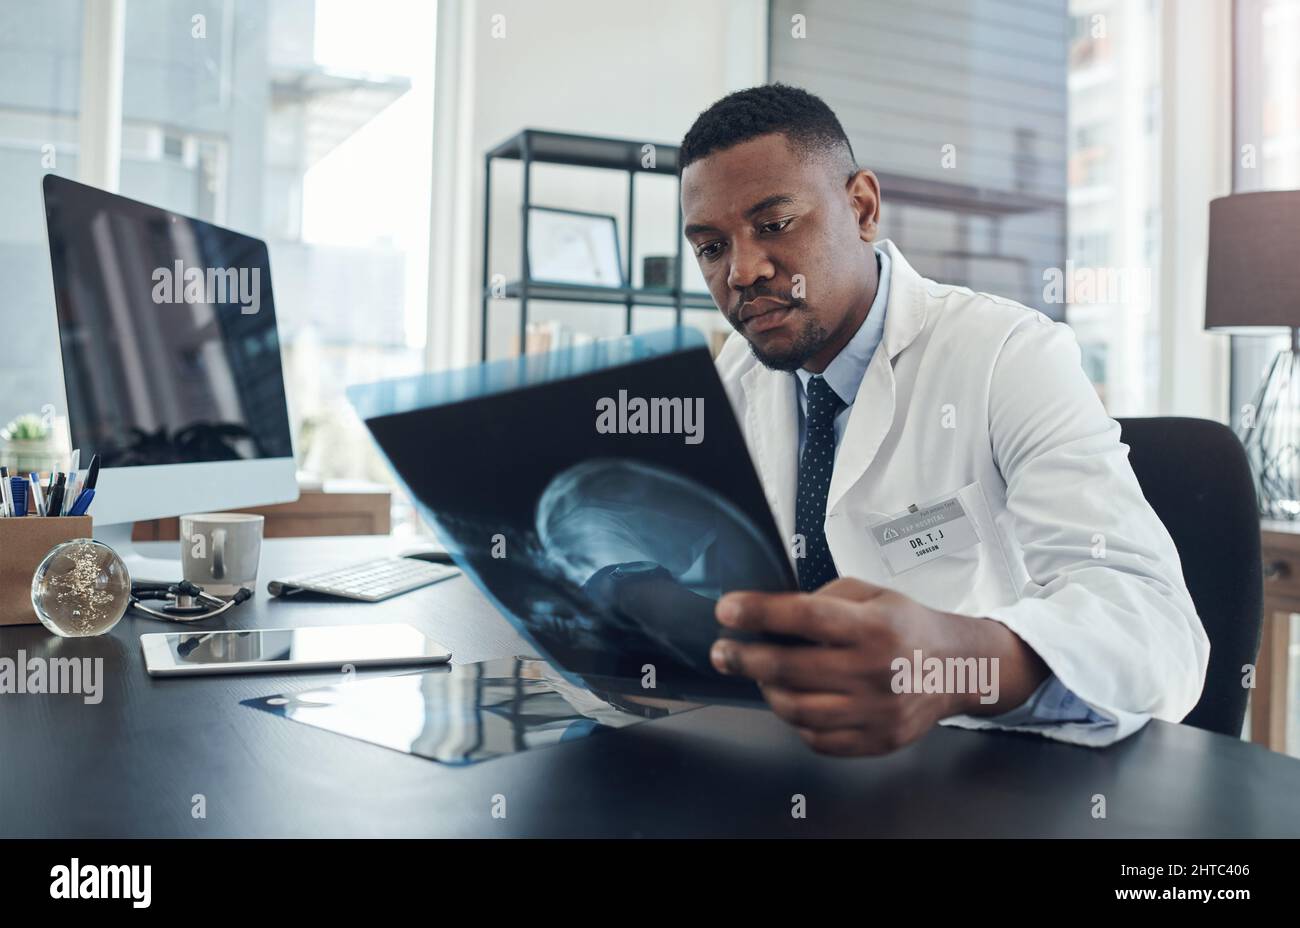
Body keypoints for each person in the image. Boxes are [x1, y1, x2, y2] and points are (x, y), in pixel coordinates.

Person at [678, 83, 1208, 754]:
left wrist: (957, 663)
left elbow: (1157, 633)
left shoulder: (1009, 354)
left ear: (862, 207)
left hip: (1002, 774)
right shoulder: (735, 381)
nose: (743, 270)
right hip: (801, 770)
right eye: (711, 248)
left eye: (774, 224)